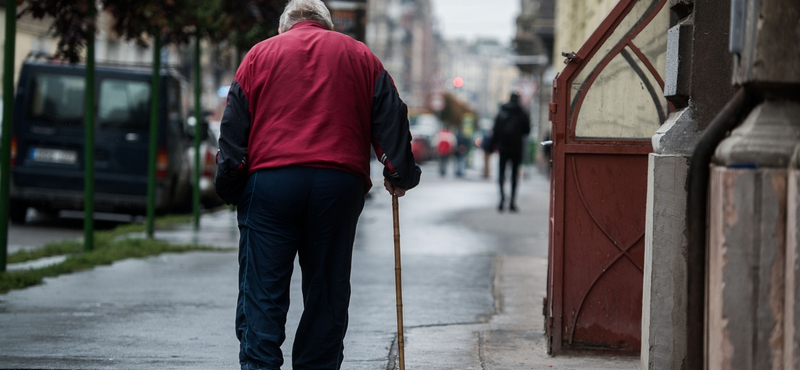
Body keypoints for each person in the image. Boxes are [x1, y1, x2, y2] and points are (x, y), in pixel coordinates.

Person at [214, 1, 421, 369]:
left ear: (284, 28)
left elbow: (233, 128)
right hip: (337, 184)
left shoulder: (259, 55)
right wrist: (399, 172)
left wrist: (231, 183)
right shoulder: (360, 56)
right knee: (328, 290)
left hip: (272, 183)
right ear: (327, 26)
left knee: (263, 292)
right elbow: (391, 115)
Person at [491, 92, 530, 212]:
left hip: (503, 148)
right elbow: (527, 131)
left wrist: (494, 145)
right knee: (514, 175)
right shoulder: (522, 113)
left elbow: (495, 131)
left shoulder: (501, 112)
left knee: (501, 174)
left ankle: (502, 199)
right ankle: (512, 202)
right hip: (517, 148)